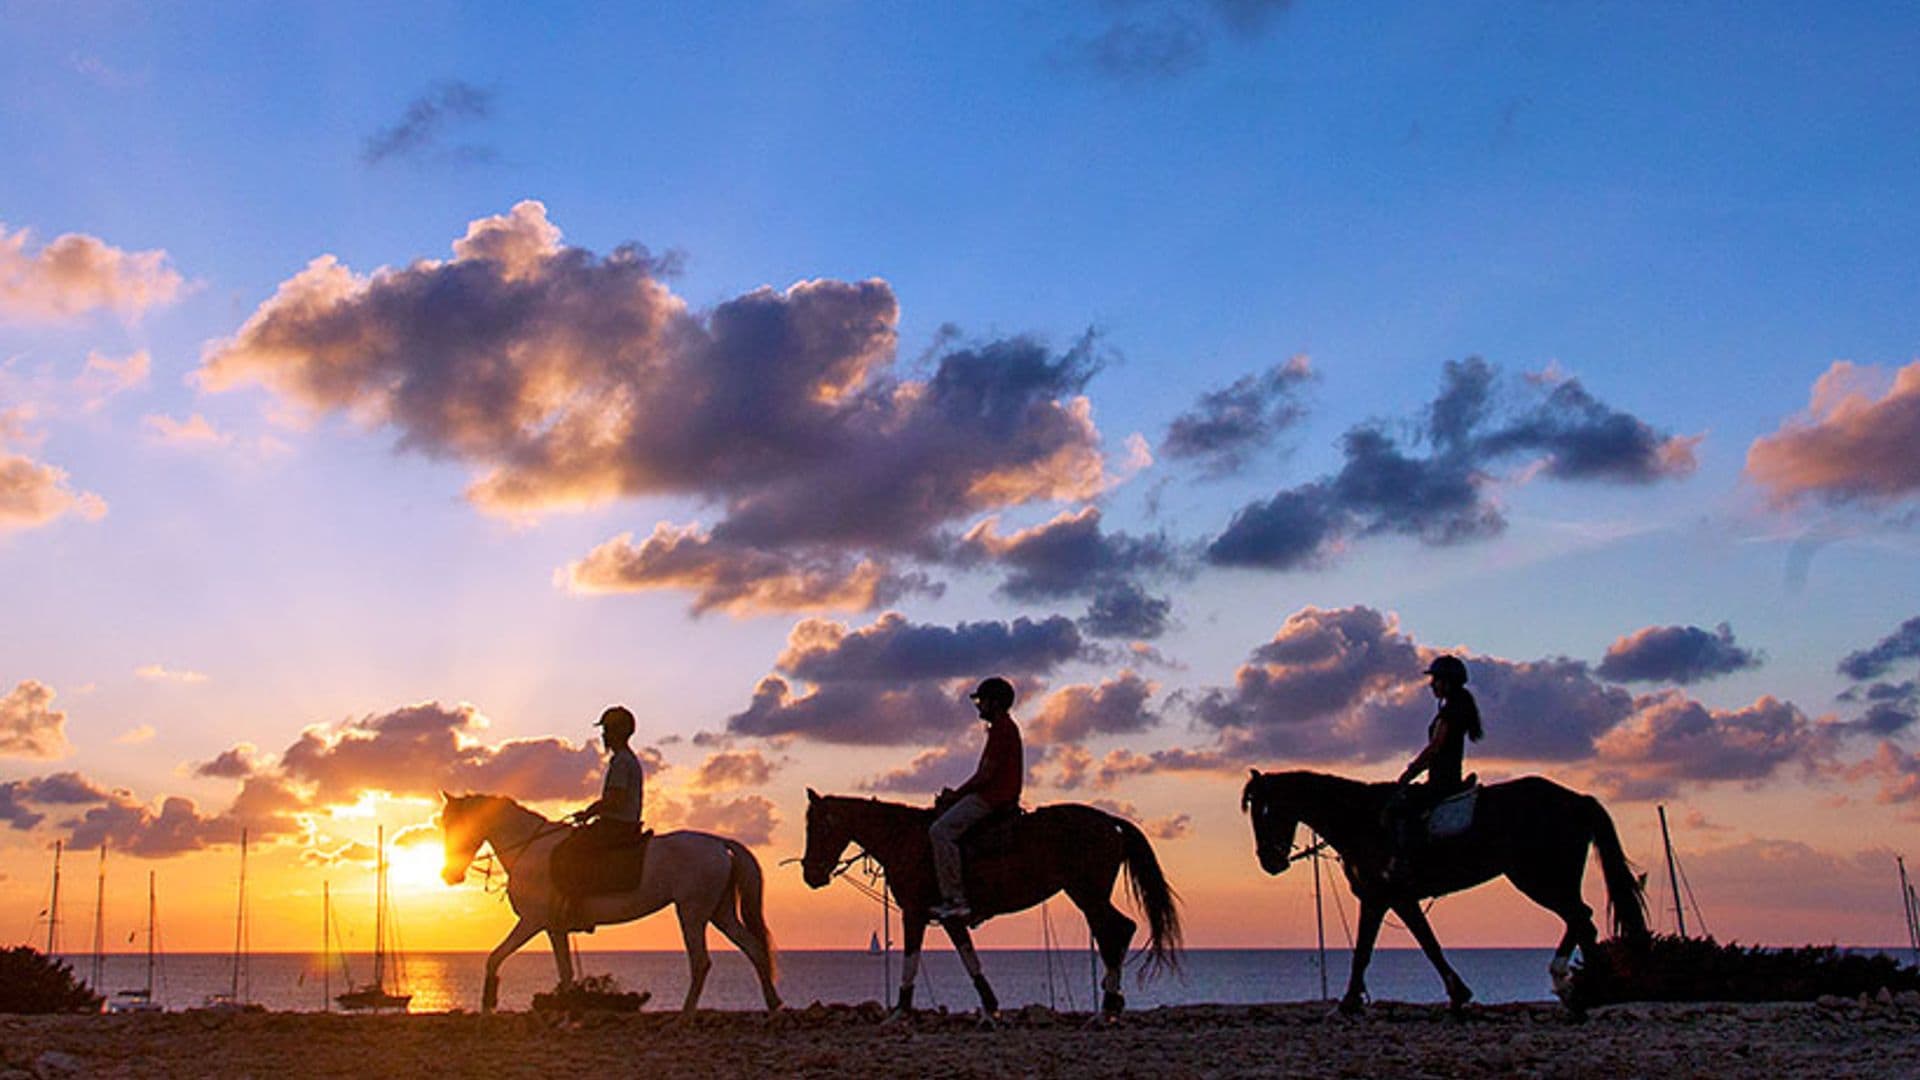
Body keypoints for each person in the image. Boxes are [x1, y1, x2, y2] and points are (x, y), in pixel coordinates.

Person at [928, 676, 1024, 923]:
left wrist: (956, 795)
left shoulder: (1002, 729)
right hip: (995, 795)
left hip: (992, 798)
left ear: (994, 703)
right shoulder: (1003, 728)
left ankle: (955, 899)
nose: (979, 706)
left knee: (940, 831)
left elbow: (985, 775)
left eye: (982, 701)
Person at [1384, 655, 1483, 886]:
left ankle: (1404, 864)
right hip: (1443, 778)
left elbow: (1435, 748)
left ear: (1447, 682)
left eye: (1436, 680)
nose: (1432, 684)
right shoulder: (1456, 707)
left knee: (1400, 809)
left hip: (1442, 782)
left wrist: (1409, 774)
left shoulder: (1451, 712)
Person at [551, 705, 646, 933]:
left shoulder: (621, 761)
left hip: (617, 824)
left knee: (572, 848)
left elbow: (614, 799)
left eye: (606, 730)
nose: (603, 735)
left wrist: (589, 812)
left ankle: (578, 909)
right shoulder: (626, 759)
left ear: (617, 732)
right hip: (622, 822)